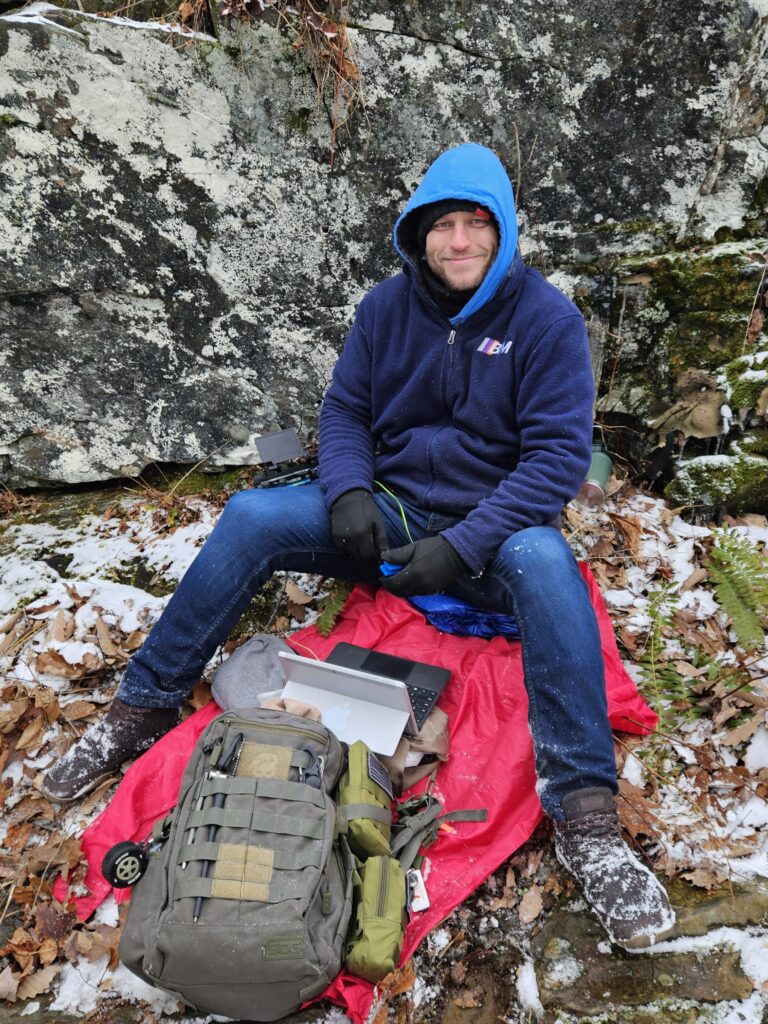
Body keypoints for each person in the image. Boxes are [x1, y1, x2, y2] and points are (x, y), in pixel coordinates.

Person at [43, 143, 675, 949]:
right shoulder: (386, 308)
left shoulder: (547, 322)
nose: (458, 241)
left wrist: (464, 547)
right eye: (441, 226)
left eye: (475, 223)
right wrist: (347, 494)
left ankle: (588, 821)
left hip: (496, 532)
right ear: (417, 234)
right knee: (253, 516)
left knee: (549, 565)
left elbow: (555, 462)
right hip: (393, 516)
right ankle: (144, 704)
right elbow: (345, 410)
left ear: (504, 230)